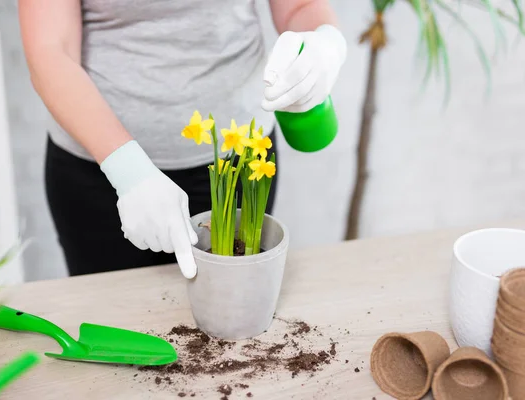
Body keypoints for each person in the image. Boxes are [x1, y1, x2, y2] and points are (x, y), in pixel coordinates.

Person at [18, 0, 346, 279]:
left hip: (240, 162)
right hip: (99, 171)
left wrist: (324, 42)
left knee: (231, 328)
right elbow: (50, 49)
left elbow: (301, 6)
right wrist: (127, 171)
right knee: (116, 326)